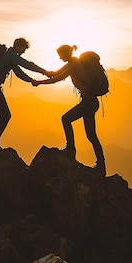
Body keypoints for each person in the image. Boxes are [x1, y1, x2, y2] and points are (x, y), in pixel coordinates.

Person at [33, 44, 106, 175]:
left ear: (66, 54)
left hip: (88, 102)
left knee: (66, 119)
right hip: (91, 102)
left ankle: (71, 150)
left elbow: (57, 79)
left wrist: (39, 83)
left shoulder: (73, 65)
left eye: (60, 55)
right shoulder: (74, 62)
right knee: (91, 135)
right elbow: (55, 73)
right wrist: (40, 73)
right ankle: (101, 166)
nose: (60, 58)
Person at [0, 37, 52, 154]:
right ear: (19, 47)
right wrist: (45, 72)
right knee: (4, 115)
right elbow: (28, 65)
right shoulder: (11, 56)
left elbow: (19, 73)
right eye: (23, 49)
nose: (23, 52)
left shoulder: (9, 57)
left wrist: (31, 80)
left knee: (4, 115)